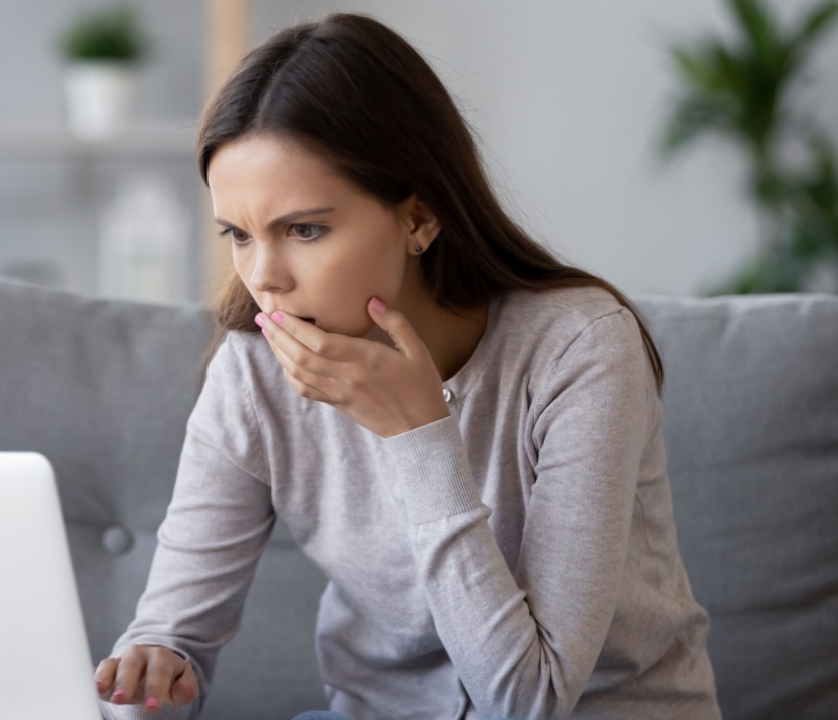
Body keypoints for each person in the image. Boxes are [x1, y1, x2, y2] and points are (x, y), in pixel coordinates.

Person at [93, 12, 720, 720]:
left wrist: (417, 434)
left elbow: (529, 702)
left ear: (419, 219)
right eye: (238, 234)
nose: (263, 276)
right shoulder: (254, 369)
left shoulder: (580, 349)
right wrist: (149, 680)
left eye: (305, 229)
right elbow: (170, 637)